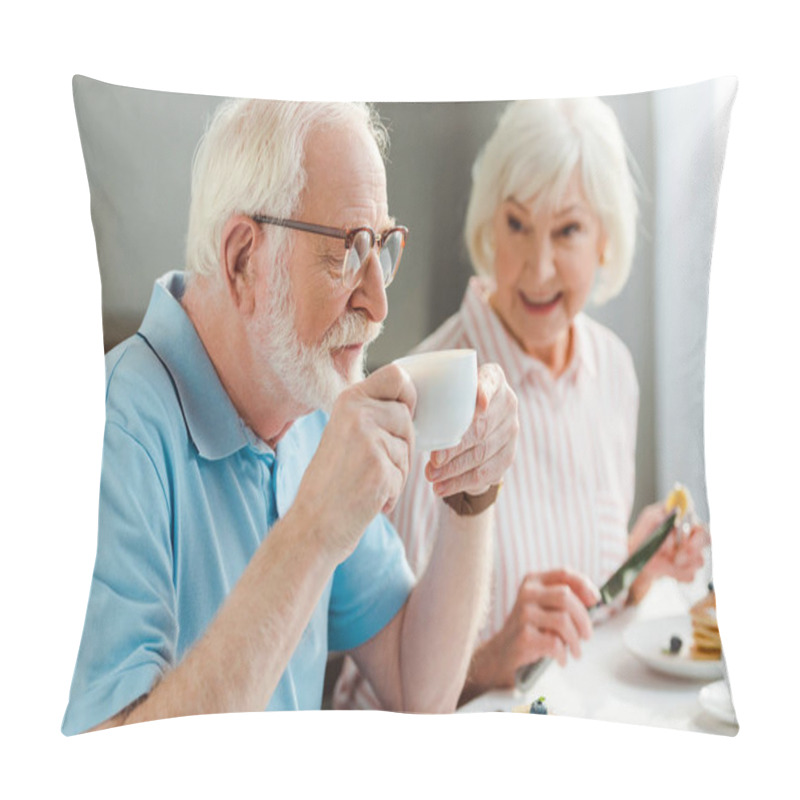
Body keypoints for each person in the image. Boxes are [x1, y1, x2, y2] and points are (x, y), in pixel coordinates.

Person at [61, 98, 519, 735]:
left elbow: (422, 690)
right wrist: (311, 534)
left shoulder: (305, 404)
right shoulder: (111, 432)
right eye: (348, 250)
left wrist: (472, 494)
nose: (379, 303)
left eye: (382, 246)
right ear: (244, 258)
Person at [334, 97, 709, 709]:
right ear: (488, 225)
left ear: (605, 239)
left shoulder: (613, 370)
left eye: (567, 231)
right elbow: (364, 696)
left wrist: (634, 575)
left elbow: (574, 619)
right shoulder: (424, 392)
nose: (537, 267)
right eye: (516, 225)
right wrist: (486, 661)